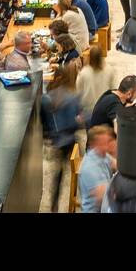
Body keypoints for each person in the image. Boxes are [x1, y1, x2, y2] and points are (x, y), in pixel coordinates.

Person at [40, 62, 82, 212]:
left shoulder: (46, 98)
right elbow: (78, 120)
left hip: (55, 141)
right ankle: (77, 197)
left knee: (57, 174)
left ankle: (54, 203)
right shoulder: (74, 97)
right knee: (70, 170)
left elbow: (43, 122)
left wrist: (47, 136)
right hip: (69, 140)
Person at [78, 125, 117, 212]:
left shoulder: (102, 154)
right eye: (107, 141)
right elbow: (105, 196)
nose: (112, 143)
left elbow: (118, 165)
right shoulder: (90, 167)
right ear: (95, 144)